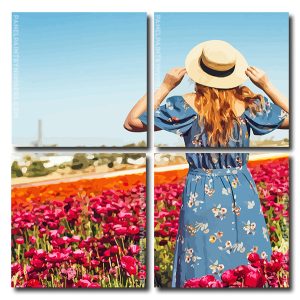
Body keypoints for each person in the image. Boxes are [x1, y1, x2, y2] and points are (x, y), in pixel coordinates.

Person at [124, 40, 289, 287]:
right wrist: (266, 85)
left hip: (201, 191)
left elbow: (132, 122)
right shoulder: (250, 104)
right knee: (248, 262)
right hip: (242, 190)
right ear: (233, 73)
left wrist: (165, 86)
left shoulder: (185, 105)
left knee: (201, 260)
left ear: (198, 72)